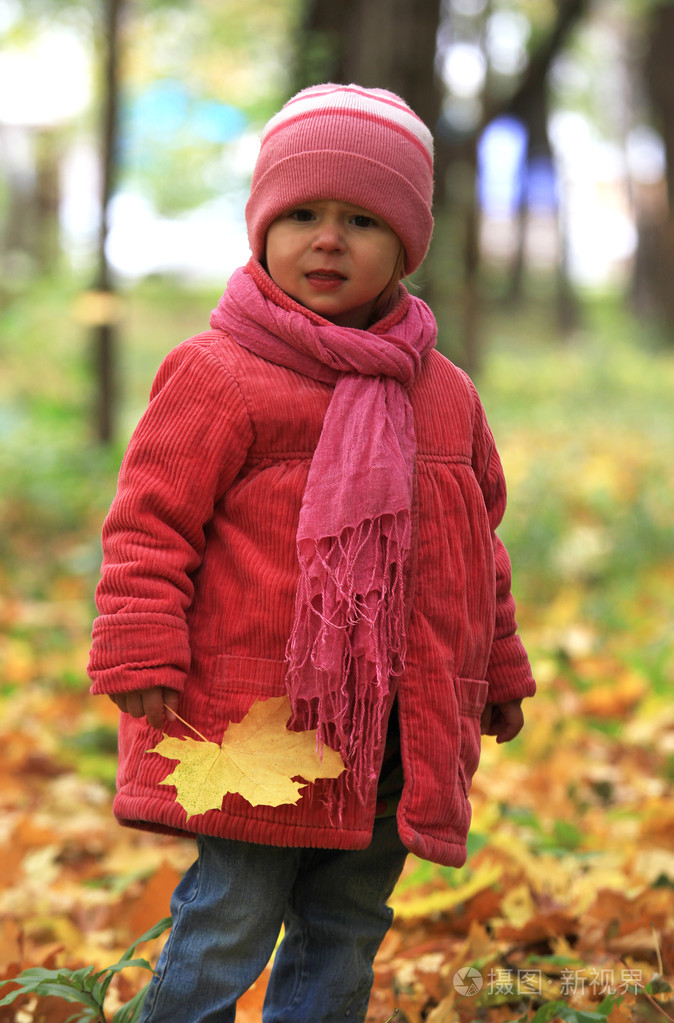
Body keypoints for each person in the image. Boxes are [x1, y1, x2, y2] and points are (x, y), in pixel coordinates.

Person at [88, 83, 535, 1023]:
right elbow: (149, 523)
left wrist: (496, 666)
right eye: (301, 214)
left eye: (362, 219)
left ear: (406, 243)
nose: (328, 239)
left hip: (397, 723)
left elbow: (472, 549)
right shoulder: (217, 374)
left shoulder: (443, 395)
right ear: (261, 228)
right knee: (232, 913)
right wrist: (138, 643)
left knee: (346, 922)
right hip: (255, 716)